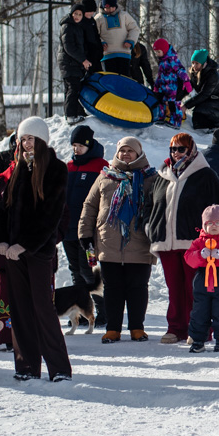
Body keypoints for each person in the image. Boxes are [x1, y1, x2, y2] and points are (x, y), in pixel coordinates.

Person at [0, 116, 72, 382]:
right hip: (12, 253)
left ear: (42, 141)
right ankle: (26, 366)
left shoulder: (55, 169)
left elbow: (50, 216)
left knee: (43, 308)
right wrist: (1, 240)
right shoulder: (14, 169)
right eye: (22, 139)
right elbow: (3, 211)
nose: (26, 144)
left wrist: (25, 244)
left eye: (31, 138)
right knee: (20, 310)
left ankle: (59, 368)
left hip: (38, 251)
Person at [146, 131, 219, 344]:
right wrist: (151, 226)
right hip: (166, 242)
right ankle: (175, 328)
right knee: (174, 288)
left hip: (195, 243)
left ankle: (198, 329)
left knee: (195, 289)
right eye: (173, 149)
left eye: (181, 149)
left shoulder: (205, 174)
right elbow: (151, 205)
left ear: (190, 150)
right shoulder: (162, 175)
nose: (176, 153)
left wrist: (212, 234)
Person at [81, 137, 157, 343]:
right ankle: (113, 329)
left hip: (140, 242)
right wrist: (85, 233)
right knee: (112, 288)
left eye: (130, 151)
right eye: (122, 150)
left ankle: (137, 328)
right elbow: (89, 206)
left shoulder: (151, 177)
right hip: (109, 242)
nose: (125, 154)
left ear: (139, 153)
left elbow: (160, 209)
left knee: (138, 288)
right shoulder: (105, 176)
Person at [183, 205, 219, 352]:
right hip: (203, 279)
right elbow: (189, 259)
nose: (213, 226)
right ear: (204, 225)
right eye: (210, 223)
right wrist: (200, 255)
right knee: (199, 313)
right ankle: (198, 340)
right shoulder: (198, 243)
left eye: (217, 223)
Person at [63, 125, 106, 294]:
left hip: (88, 230)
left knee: (87, 269)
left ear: (89, 145)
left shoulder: (100, 166)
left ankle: (103, 310)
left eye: (81, 146)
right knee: (75, 270)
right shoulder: (69, 166)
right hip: (68, 227)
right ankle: (82, 309)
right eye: (74, 146)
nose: (77, 149)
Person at [60, 0, 103, 119]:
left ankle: (76, 112)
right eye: (76, 14)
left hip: (81, 61)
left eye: (80, 14)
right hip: (72, 62)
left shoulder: (82, 25)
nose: (78, 16)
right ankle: (71, 114)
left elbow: (92, 39)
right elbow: (70, 47)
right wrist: (83, 59)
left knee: (75, 87)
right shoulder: (69, 26)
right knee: (73, 88)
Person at [183, 50, 219, 131]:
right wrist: (173, 99)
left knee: (201, 108)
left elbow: (204, 94)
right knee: (196, 117)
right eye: (193, 63)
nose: (194, 65)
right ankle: (210, 128)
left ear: (203, 63)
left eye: (197, 63)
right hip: (211, 100)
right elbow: (187, 89)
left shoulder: (212, 75)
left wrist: (185, 106)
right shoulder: (194, 73)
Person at [98, 0, 143, 79]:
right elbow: (95, 34)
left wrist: (130, 40)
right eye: (107, 7)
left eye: (112, 7)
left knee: (124, 79)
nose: (110, 9)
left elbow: (134, 28)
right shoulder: (98, 18)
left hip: (124, 53)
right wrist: (101, 43)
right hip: (107, 55)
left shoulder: (124, 15)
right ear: (103, 7)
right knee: (111, 80)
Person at [151, 39, 189, 128]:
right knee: (161, 101)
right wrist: (156, 86)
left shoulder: (172, 60)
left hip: (172, 87)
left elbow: (181, 71)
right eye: (156, 52)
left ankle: (176, 121)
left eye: (158, 52)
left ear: (164, 50)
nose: (157, 54)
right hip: (163, 86)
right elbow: (160, 75)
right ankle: (161, 117)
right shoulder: (162, 61)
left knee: (173, 104)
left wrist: (186, 82)